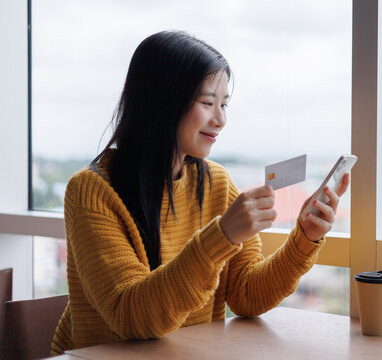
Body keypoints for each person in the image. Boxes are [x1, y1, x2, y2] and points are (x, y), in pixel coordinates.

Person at [51, 30, 350, 355]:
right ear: (161, 102)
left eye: (224, 104)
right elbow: (131, 317)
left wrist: (303, 239)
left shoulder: (216, 183)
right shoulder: (91, 190)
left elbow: (247, 295)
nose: (220, 119)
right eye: (208, 103)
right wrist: (221, 236)